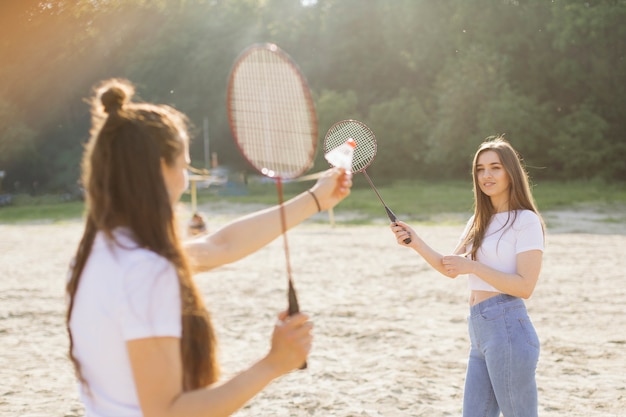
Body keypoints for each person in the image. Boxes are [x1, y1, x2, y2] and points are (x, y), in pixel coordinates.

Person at [66, 78, 352, 417]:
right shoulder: (146, 271)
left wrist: (316, 199)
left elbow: (220, 245)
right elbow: (167, 412)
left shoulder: (101, 253)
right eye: (184, 166)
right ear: (160, 168)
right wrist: (273, 364)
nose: (185, 181)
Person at [390, 137, 545, 417]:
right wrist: (415, 242)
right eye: (480, 169)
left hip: (508, 329)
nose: (486, 175)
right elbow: (450, 266)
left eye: (495, 168)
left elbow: (525, 286)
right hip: (479, 330)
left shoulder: (526, 221)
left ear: (511, 172)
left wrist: (473, 267)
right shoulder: (477, 221)